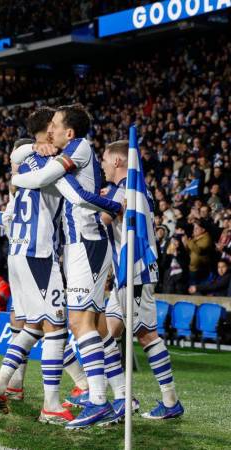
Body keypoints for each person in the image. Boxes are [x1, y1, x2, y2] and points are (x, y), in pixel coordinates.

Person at [0, 106, 121, 424]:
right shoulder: (48, 162)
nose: (54, 132)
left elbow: (9, 214)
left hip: (22, 253)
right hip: (41, 253)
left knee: (34, 326)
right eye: (51, 127)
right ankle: (55, 403)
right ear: (47, 134)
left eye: (58, 126)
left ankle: (4, 387)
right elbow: (72, 191)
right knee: (57, 327)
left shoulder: (33, 160)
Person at [101, 140, 184, 420]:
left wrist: (94, 200)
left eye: (104, 159)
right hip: (125, 276)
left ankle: (170, 401)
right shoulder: (135, 188)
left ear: (117, 161)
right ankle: (124, 396)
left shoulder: (125, 190)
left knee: (147, 335)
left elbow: (103, 218)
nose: (101, 164)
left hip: (135, 272)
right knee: (105, 334)